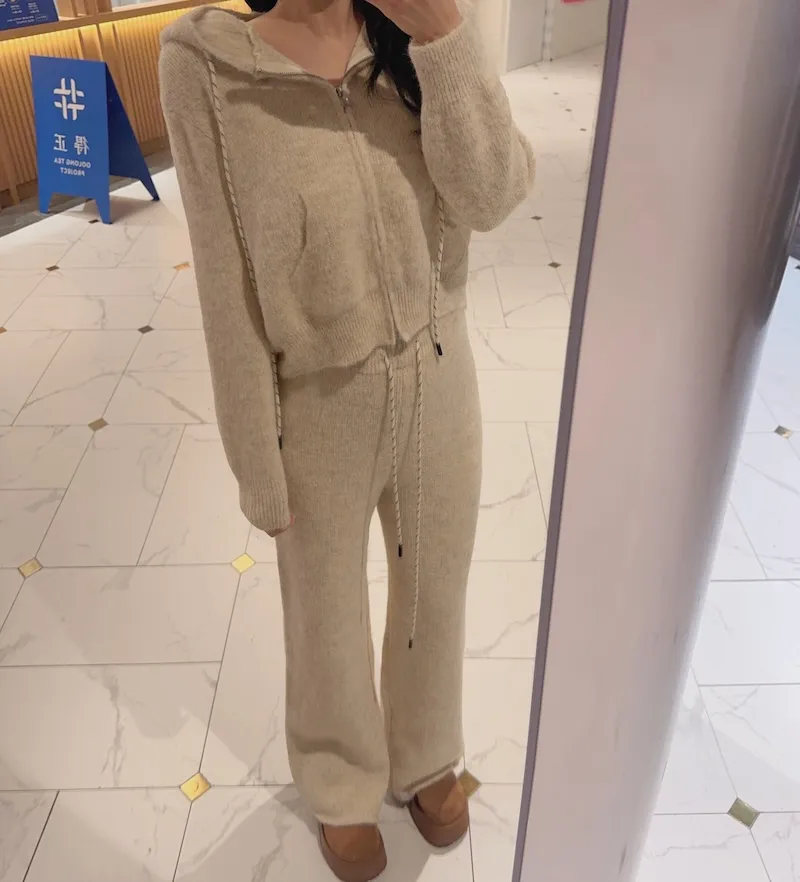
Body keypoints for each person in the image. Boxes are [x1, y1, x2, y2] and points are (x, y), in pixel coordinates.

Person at [159, 0, 534, 877]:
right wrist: (254, 456)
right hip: (317, 403)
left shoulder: (414, 31)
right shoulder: (207, 65)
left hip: (439, 372)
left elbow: (494, 195)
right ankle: (340, 781)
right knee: (324, 612)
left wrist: (443, 38)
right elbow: (224, 280)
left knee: (435, 590)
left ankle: (427, 754)